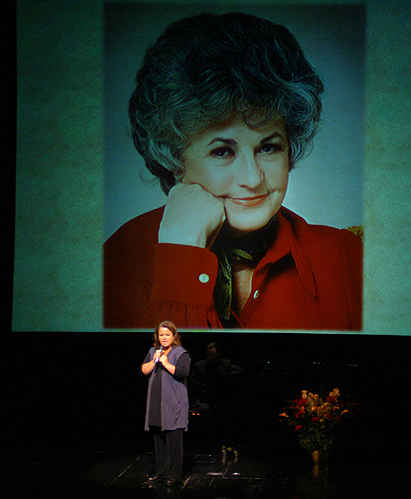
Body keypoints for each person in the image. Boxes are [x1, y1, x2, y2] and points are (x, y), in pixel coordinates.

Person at [104, 12, 362, 330]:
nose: (253, 179)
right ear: (174, 157)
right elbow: (159, 375)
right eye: (223, 151)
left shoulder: (348, 257)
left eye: (268, 147)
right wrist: (181, 255)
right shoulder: (119, 262)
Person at [141, 321, 191, 486]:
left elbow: (183, 372)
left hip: (173, 402)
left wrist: (165, 362)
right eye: (161, 335)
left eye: (167, 335)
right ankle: (161, 472)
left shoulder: (181, 353)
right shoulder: (153, 351)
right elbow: (144, 370)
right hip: (156, 402)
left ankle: (174, 475)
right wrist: (155, 360)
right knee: (158, 438)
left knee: (173, 440)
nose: (164, 338)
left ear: (173, 336)